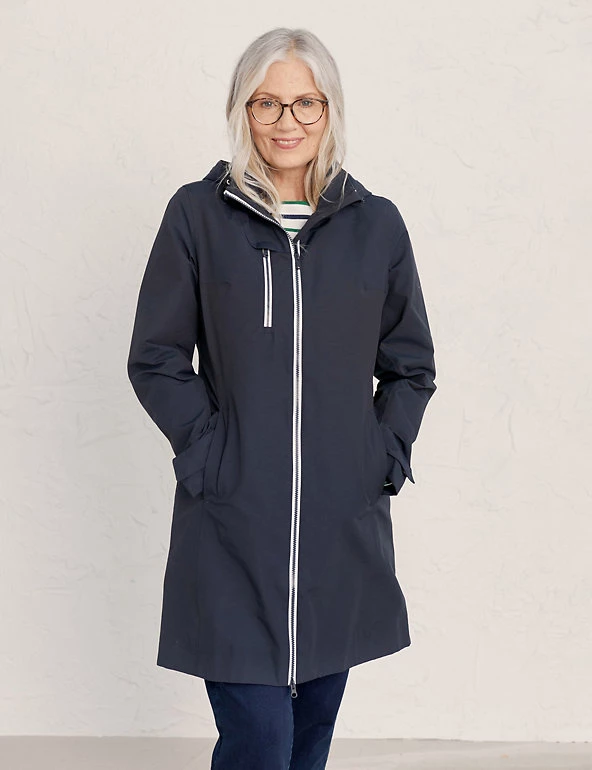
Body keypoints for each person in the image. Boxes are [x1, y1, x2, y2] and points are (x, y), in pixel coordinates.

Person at [127, 26, 437, 770]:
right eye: (267, 103)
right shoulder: (198, 215)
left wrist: (380, 458)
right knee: (260, 741)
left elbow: (410, 365)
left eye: (305, 103)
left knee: (308, 743)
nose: (286, 121)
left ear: (330, 110)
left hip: (339, 531)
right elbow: (156, 357)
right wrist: (209, 453)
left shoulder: (376, 225)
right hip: (232, 526)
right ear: (243, 110)